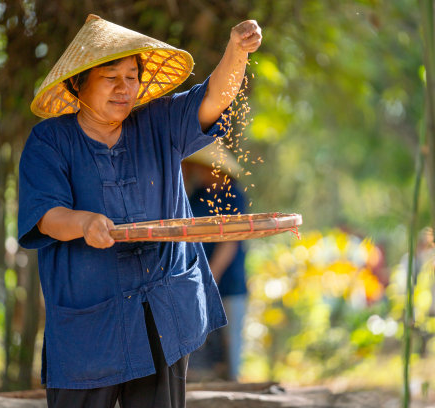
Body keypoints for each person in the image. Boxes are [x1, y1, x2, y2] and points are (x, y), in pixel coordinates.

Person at [18, 14, 261, 408]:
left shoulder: (159, 122)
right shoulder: (50, 140)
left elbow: (216, 95)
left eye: (131, 77)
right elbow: (45, 215)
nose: (123, 88)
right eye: (110, 77)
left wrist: (237, 51)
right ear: (78, 83)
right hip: (88, 326)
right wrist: (84, 223)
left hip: (163, 316)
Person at [182, 144, 248, 382]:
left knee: (230, 343)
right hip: (199, 281)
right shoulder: (197, 194)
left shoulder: (234, 195)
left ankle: (233, 387)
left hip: (229, 282)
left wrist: (211, 277)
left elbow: (230, 242)